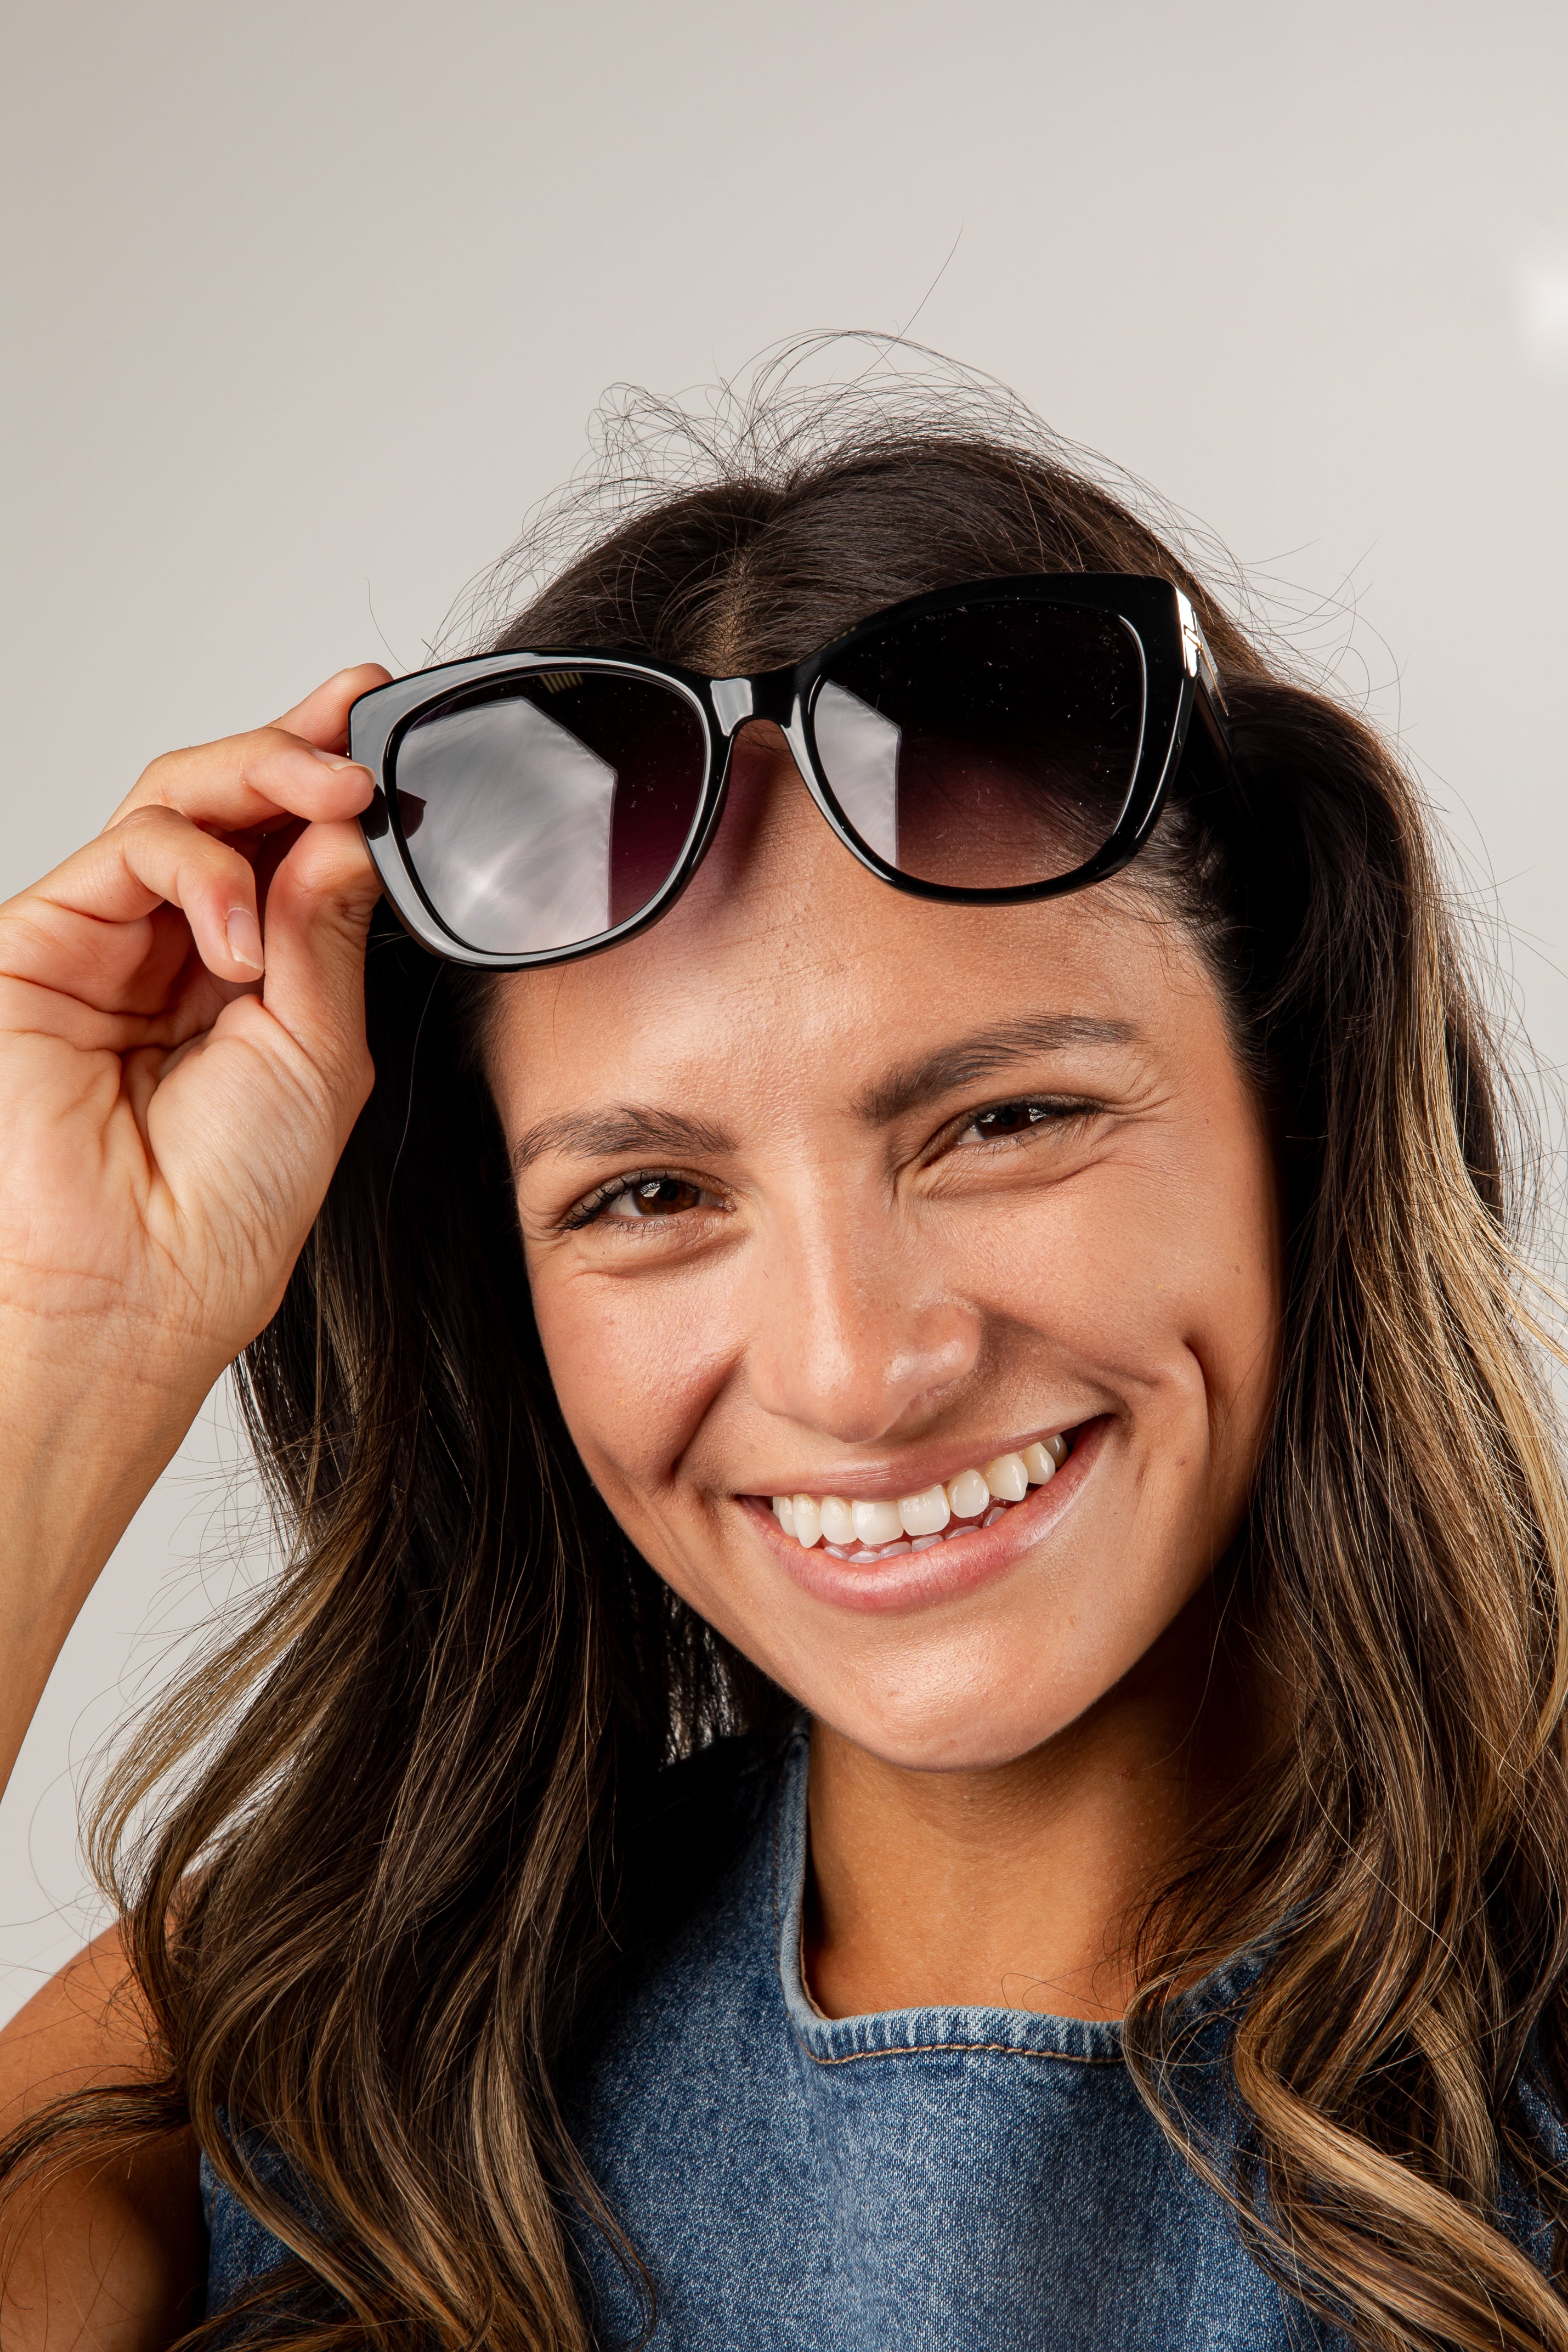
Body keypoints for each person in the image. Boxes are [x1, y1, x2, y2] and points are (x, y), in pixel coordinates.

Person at [2, 372, 1566, 2352]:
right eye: (645, 1194)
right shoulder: (307, 2039)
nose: (856, 1366)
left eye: (1002, 1122)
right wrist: (63, 1342)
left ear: (1302, 1110)